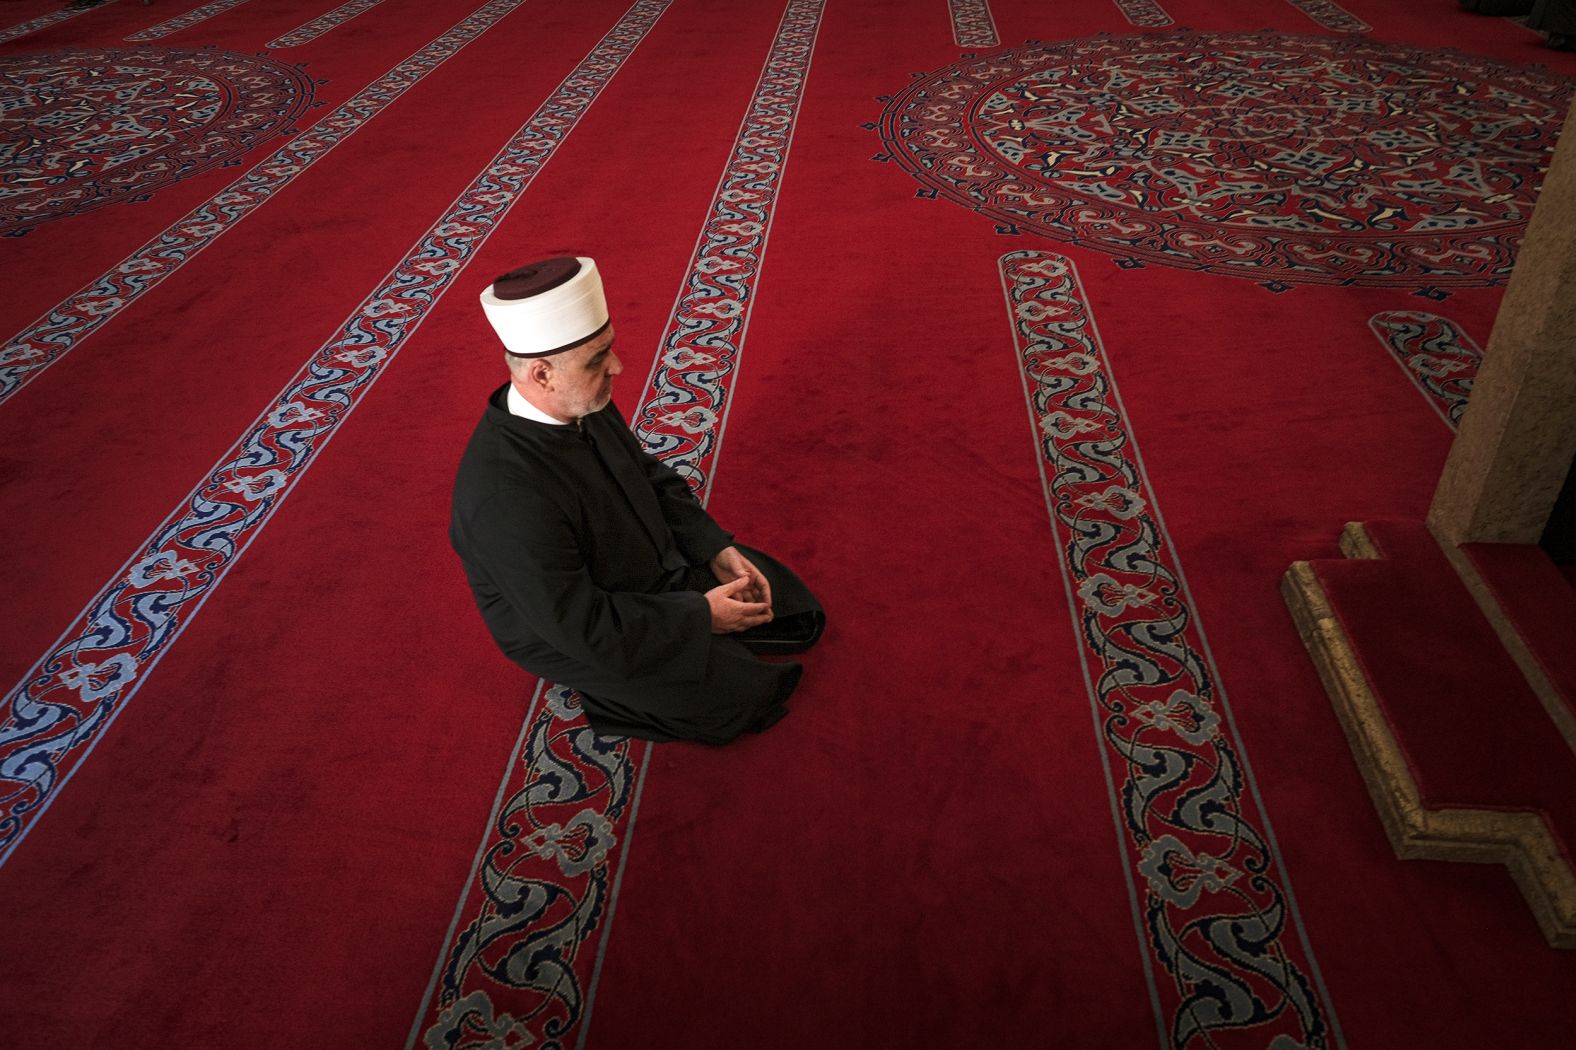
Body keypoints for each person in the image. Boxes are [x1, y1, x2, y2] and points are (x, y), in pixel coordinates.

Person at [450, 256, 824, 744]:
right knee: (745, 700)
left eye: (610, 349)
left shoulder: (582, 400)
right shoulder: (505, 498)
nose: (619, 367)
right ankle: (609, 695)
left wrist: (715, 547)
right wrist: (700, 615)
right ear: (541, 375)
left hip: (640, 560)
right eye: (597, 359)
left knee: (796, 613)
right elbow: (578, 622)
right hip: (577, 629)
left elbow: (651, 478)